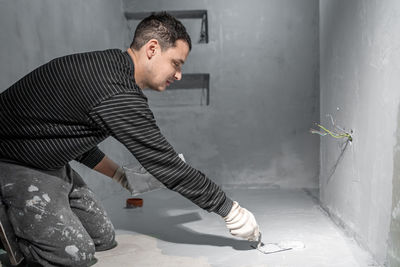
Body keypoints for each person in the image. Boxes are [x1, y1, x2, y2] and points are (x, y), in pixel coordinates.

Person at [0, 12, 259, 266]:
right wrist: (229, 210)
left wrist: (119, 176)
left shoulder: (111, 66)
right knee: (74, 255)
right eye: (176, 63)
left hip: (48, 158)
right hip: (14, 161)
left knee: (103, 237)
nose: (178, 74)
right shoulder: (116, 92)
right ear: (152, 48)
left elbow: (68, 136)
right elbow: (167, 166)